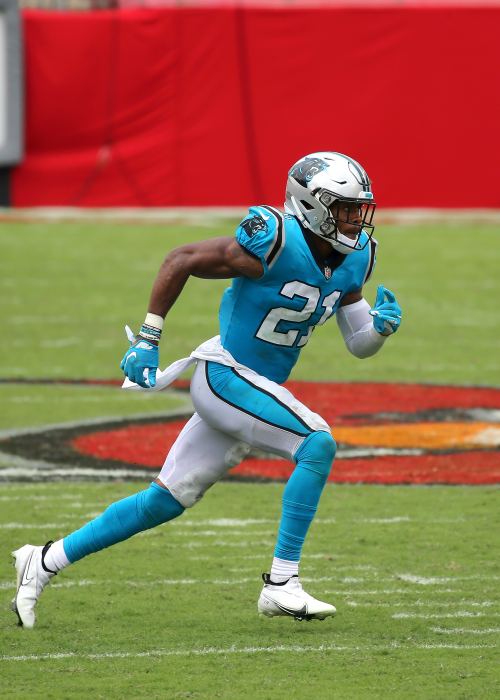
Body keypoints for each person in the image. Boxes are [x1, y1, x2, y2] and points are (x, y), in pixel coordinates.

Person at [12, 152, 401, 629]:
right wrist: (149, 337)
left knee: (164, 500)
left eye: (358, 209)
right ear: (311, 205)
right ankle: (281, 583)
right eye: (344, 209)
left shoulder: (356, 256)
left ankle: (43, 560)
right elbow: (182, 259)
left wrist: (379, 330)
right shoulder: (275, 241)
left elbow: (358, 342)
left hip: (252, 387)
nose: (355, 219)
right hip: (226, 376)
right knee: (316, 443)